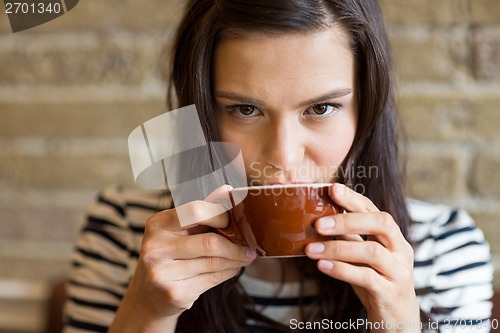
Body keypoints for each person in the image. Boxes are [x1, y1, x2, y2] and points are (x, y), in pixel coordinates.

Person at [62, 0, 494, 332]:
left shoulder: (444, 250)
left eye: (322, 107)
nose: (283, 157)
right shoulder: (124, 229)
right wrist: (147, 311)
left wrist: (399, 322)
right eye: (245, 110)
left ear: (367, 107)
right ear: (201, 112)